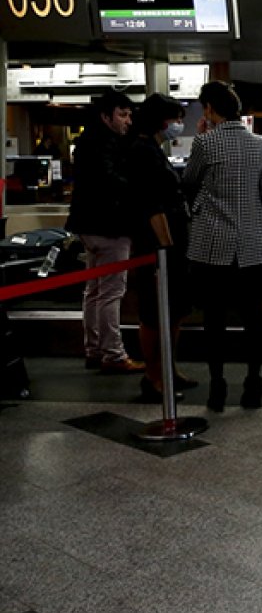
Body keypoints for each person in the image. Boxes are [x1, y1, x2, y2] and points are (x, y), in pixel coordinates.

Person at [181, 81, 262, 412]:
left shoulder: (205, 143)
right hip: (251, 244)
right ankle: (253, 382)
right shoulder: (258, 143)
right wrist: (260, 231)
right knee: (253, 319)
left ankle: (217, 385)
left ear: (209, 109)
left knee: (214, 319)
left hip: (211, 244)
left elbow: (189, 181)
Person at [65, 89, 145, 374]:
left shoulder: (85, 140)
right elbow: (114, 182)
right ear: (105, 116)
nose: (128, 121)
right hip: (111, 226)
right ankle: (113, 353)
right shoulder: (110, 144)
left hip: (86, 226)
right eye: (122, 115)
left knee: (94, 291)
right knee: (112, 292)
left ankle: (94, 348)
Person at [127, 93, 196, 402]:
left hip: (173, 242)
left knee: (175, 309)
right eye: (176, 119)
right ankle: (153, 375)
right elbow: (152, 204)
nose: (179, 125)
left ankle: (169, 369)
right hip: (158, 244)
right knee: (155, 313)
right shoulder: (143, 151)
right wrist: (165, 244)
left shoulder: (154, 149)